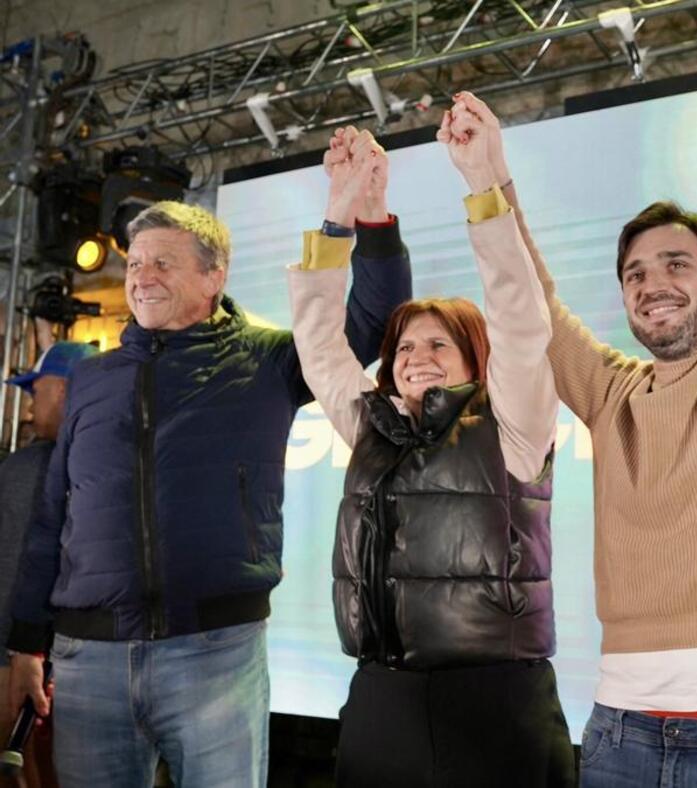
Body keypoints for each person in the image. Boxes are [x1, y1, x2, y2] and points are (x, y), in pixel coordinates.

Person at [440, 91, 697, 786]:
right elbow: (528, 298)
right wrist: (487, 179)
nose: (651, 284)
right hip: (621, 730)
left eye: (675, 265)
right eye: (635, 274)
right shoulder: (613, 393)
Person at [4, 129, 412, 787]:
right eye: (134, 264)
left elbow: (372, 322)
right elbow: (52, 521)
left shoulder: (268, 358)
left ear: (213, 274)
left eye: (163, 263)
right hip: (88, 664)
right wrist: (25, 647)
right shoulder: (93, 381)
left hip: (214, 657)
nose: (141, 277)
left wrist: (367, 214)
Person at [286, 103, 571, 787]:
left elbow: (519, 316)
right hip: (382, 702)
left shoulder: (515, 420)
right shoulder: (373, 430)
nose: (416, 355)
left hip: (496, 708)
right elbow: (321, 345)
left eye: (439, 342)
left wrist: (481, 184)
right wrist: (340, 212)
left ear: (476, 358)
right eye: (405, 345)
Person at [0, 340, 95, 788]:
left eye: (35, 392)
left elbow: (11, 569)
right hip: (86, 664)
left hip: (18, 667)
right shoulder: (111, 469)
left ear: (59, 391)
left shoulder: (22, 472)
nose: (31, 404)